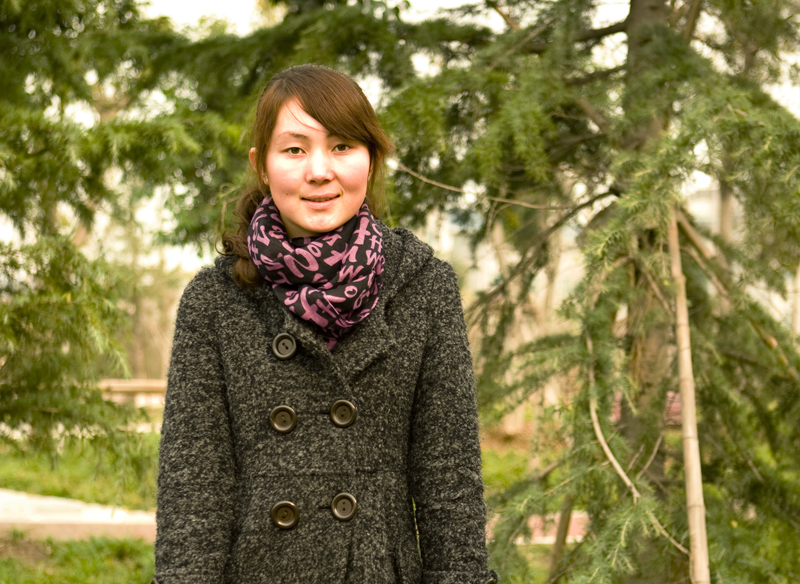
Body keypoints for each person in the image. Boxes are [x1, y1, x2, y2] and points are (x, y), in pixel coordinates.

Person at [153, 64, 498, 584]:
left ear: (370, 159)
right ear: (262, 165)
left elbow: (449, 480)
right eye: (294, 149)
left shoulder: (424, 286)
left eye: (342, 147)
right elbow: (194, 490)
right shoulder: (216, 300)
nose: (319, 171)